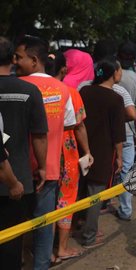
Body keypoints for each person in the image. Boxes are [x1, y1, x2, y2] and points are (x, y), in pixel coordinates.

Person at [15, 35, 77, 269]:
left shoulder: (18, 86)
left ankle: (17, 261)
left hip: (17, 168)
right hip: (49, 169)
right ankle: (40, 265)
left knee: (14, 223)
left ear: (33, 59)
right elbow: (70, 123)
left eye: (19, 57)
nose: (15, 61)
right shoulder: (63, 90)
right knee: (43, 225)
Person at [0, 37, 48, 270]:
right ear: (13, 59)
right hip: (16, 180)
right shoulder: (29, 91)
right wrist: (42, 167)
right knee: (11, 242)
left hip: (10, 176)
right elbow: (39, 135)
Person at [46, 52, 93, 260]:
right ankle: (61, 248)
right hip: (67, 153)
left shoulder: (33, 89)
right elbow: (80, 126)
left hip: (41, 154)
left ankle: (43, 251)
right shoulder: (71, 93)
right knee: (65, 199)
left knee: (43, 203)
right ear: (63, 69)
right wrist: (87, 152)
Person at [79, 58, 125, 248]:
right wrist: (120, 157)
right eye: (120, 70)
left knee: (80, 192)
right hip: (103, 152)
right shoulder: (115, 99)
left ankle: (79, 228)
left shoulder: (85, 91)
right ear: (114, 73)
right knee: (95, 195)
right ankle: (89, 236)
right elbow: (118, 135)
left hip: (81, 149)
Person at [116, 41, 136, 221]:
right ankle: (126, 209)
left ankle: (100, 205)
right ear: (134, 59)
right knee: (126, 170)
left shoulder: (109, 74)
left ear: (118, 56)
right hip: (127, 132)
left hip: (107, 131)